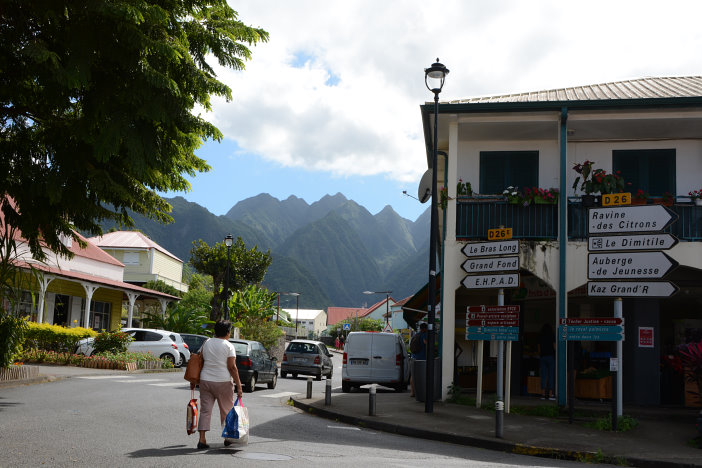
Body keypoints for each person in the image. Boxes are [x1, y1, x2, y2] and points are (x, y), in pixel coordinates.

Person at [191, 320, 243, 449]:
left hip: (205, 380)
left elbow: (198, 360)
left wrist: (193, 380)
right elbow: (232, 367)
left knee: (205, 411)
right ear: (227, 332)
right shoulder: (228, 346)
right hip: (223, 382)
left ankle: (202, 439)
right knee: (226, 410)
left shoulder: (206, 343)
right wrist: (239, 386)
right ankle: (227, 437)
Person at [409, 322, 428, 398]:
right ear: (425, 329)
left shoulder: (416, 335)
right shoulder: (424, 335)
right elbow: (426, 344)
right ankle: (422, 391)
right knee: (422, 375)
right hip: (422, 358)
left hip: (414, 357)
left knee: (413, 375)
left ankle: (412, 392)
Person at [538, 323, 556, 401]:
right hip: (551, 357)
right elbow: (554, 346)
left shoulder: (540, 336)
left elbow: (538, 347)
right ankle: (551, 394)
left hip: (543, 357)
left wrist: (540, 354)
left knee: (543, 376)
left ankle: (543, 394)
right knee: (551, 375)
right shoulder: (552, 336)